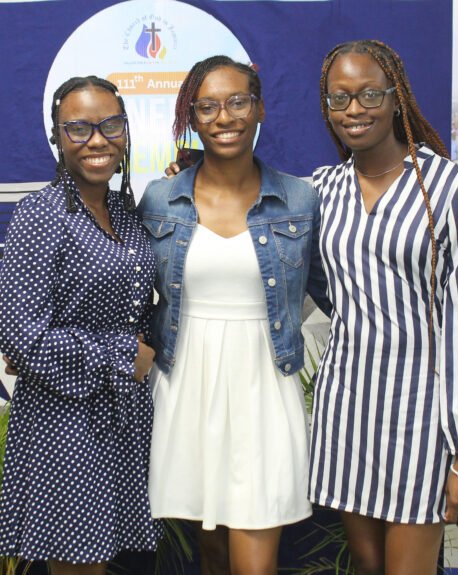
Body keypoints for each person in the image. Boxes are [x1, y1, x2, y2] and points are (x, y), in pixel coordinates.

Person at [310, 40, 458, 575]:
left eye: (370, 93)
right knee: (368, 568)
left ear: (397, 99)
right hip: (347, 408)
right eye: (340, 98)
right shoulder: (324, 190)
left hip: (422, 416)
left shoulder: (449, 188)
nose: (355, 109)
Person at [141, 55, 330, 575]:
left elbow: (337, 292)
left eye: (237, 102)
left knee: (253, 548)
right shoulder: (160, 198)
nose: (224, 117)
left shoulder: (300, 197)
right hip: (186, 380)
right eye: (207, 107)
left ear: (260, 108)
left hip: (263, 383)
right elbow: (130, 289)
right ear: (192, 119)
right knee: (212, 548)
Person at [0, 76, 160, 574]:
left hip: (122, 417)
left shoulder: (125, 213)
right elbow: (18, 335)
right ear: (57, 137)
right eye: (79, 128)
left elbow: (134, 304)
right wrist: (122, 354)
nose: (97, 140)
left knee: (110, 561)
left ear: (126, 132)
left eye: (110, 125)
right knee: (78, 564)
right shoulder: (40, 215)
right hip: (64, 421)